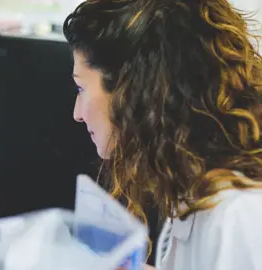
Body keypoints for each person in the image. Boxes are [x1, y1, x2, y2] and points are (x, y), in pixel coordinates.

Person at [63, 0, 262, 269]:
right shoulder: (194, 190)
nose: (77, 114)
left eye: (80, 89)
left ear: (132, 91)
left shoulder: (238, 216)